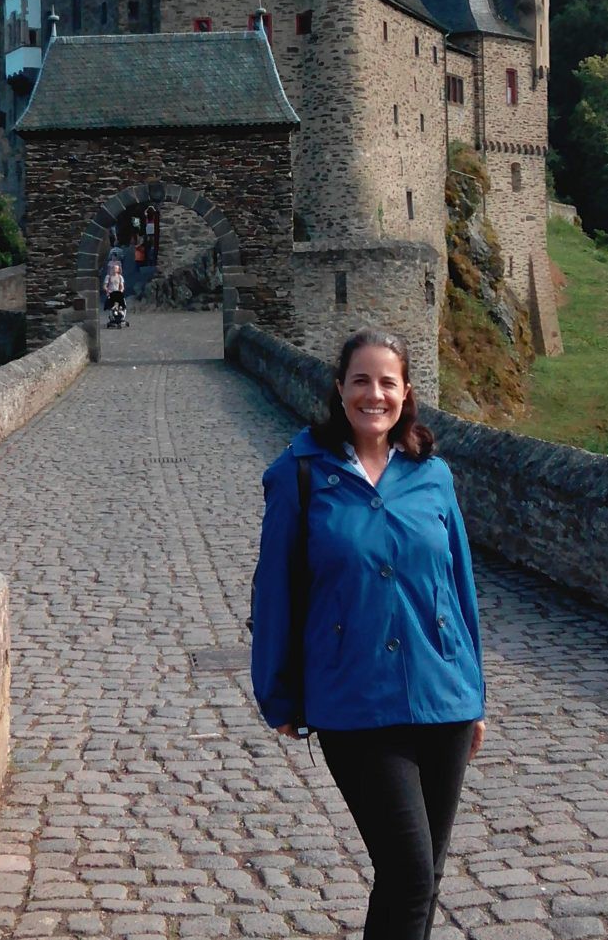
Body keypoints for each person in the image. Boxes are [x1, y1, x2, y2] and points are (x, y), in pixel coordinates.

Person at [250, 329, 486, 940]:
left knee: (421, 878)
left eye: (387, 383)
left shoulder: (432, 475)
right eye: (361, 381)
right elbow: (274, 589)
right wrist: (277, 693)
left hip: (444, 701)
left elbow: (459, 588)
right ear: (340, 388)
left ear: (407, 393)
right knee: (409, 873)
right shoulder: (300, 473)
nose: (373, 394)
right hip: (354, 701)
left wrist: (475, 696)